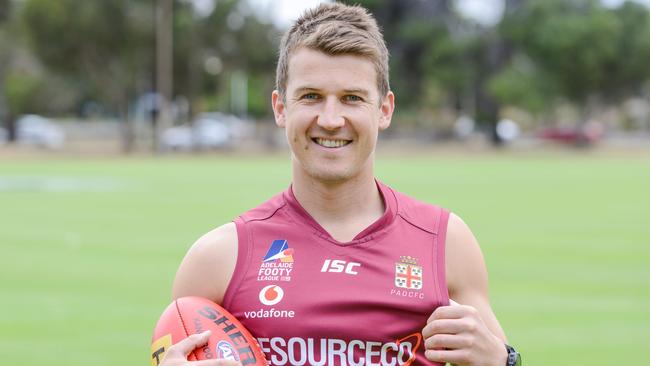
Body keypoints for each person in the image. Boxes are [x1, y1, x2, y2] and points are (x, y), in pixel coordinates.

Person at [156, 3, 520, 366]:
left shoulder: (445, 243)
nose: (330, 120)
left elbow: (495, 358)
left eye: (352, 98)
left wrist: (502, 361)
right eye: (311, 96)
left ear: (384, 109)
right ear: (280, 108)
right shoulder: (219, 258)